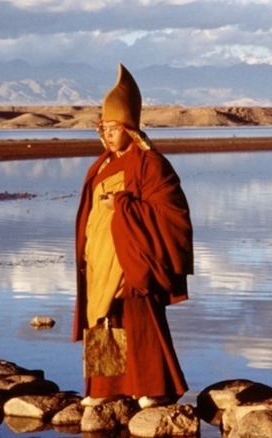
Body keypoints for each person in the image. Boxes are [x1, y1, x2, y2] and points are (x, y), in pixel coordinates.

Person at [73, 64, 193, 409]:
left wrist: (124, 206)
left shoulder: (150, 164)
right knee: (105, 319)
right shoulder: (102, 165)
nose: (109, 136)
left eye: (114, 129)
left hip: (134, 258)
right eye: (104, 129)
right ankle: (105, 388)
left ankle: (153, 388)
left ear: (129, 128)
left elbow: (172, 213)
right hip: (101, 259)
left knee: (140, 321)